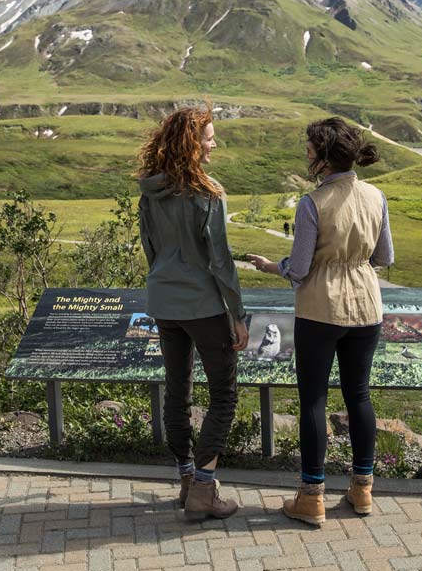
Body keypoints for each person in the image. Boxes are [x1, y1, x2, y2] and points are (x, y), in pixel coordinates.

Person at [248, 117, 394, 526]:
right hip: (367, 306)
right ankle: (362, 489)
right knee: (359, 395)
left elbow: (298, 269)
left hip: (320, 309)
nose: (307, 153)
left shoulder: (312, 203)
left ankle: (311, 496)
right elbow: (384, 258)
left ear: (325, 156)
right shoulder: (376, 196)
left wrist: (268, 266)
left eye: (311, 148)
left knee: (314, 399)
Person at [138, 104, 249, 520]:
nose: (214, 144)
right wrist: (235, 313)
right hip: (202, 304)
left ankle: (186, 480)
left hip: (163, 301)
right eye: (208, 138)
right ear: (191, 143)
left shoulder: (149, 190)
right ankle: (205, 488)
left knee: (177, 391)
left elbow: (150, 248)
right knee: (224, 394)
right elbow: (220, 261)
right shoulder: (208, 192)